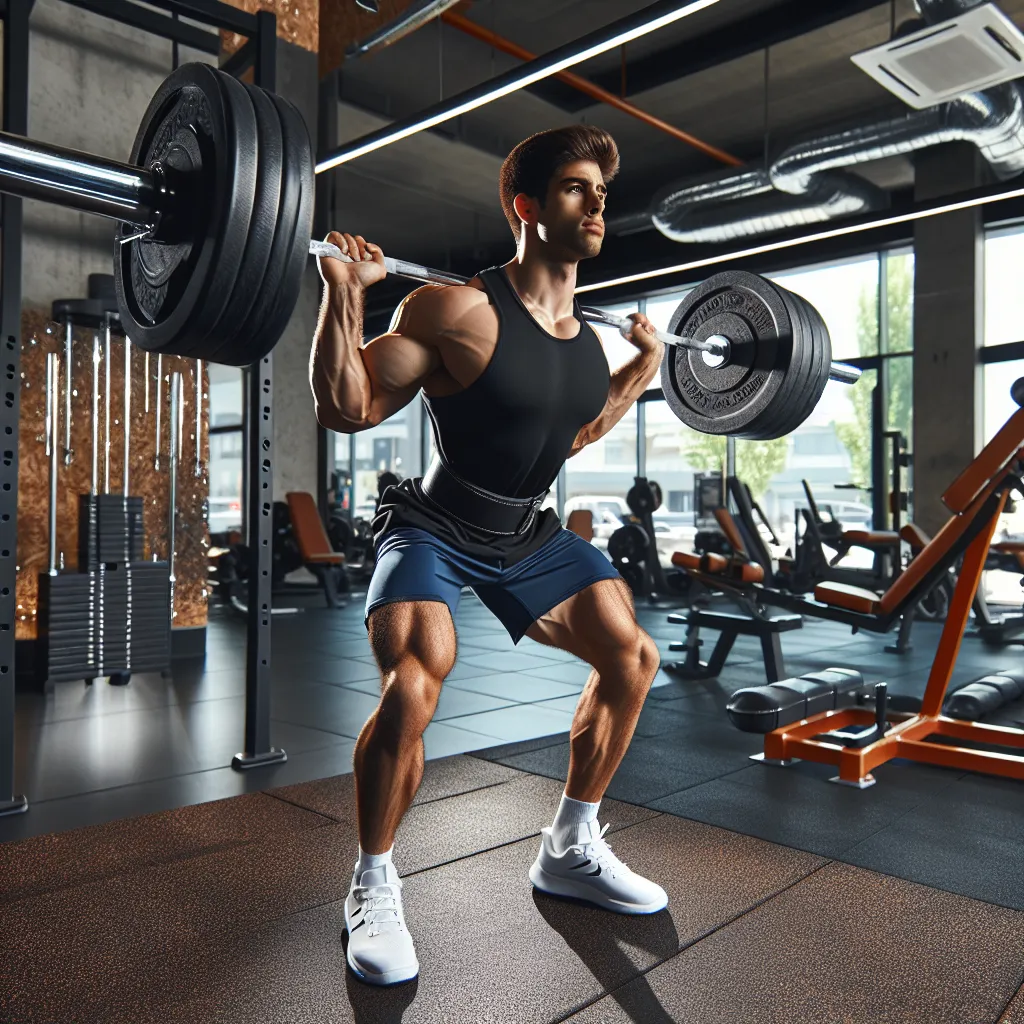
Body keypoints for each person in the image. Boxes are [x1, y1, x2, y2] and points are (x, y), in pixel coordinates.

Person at [310, 125, 666, 988]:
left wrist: (637, 374)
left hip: (528, 533)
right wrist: (344, 293)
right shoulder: (456, 309)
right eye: (577, 189)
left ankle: (570, 847)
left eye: (601, 194)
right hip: (436, 523)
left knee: (632, 655)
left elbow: (568, 433)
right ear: (527, 208)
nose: (596, 207)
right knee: (415, 679)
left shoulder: (587, 342)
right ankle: (373, 881)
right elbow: (347, 408)